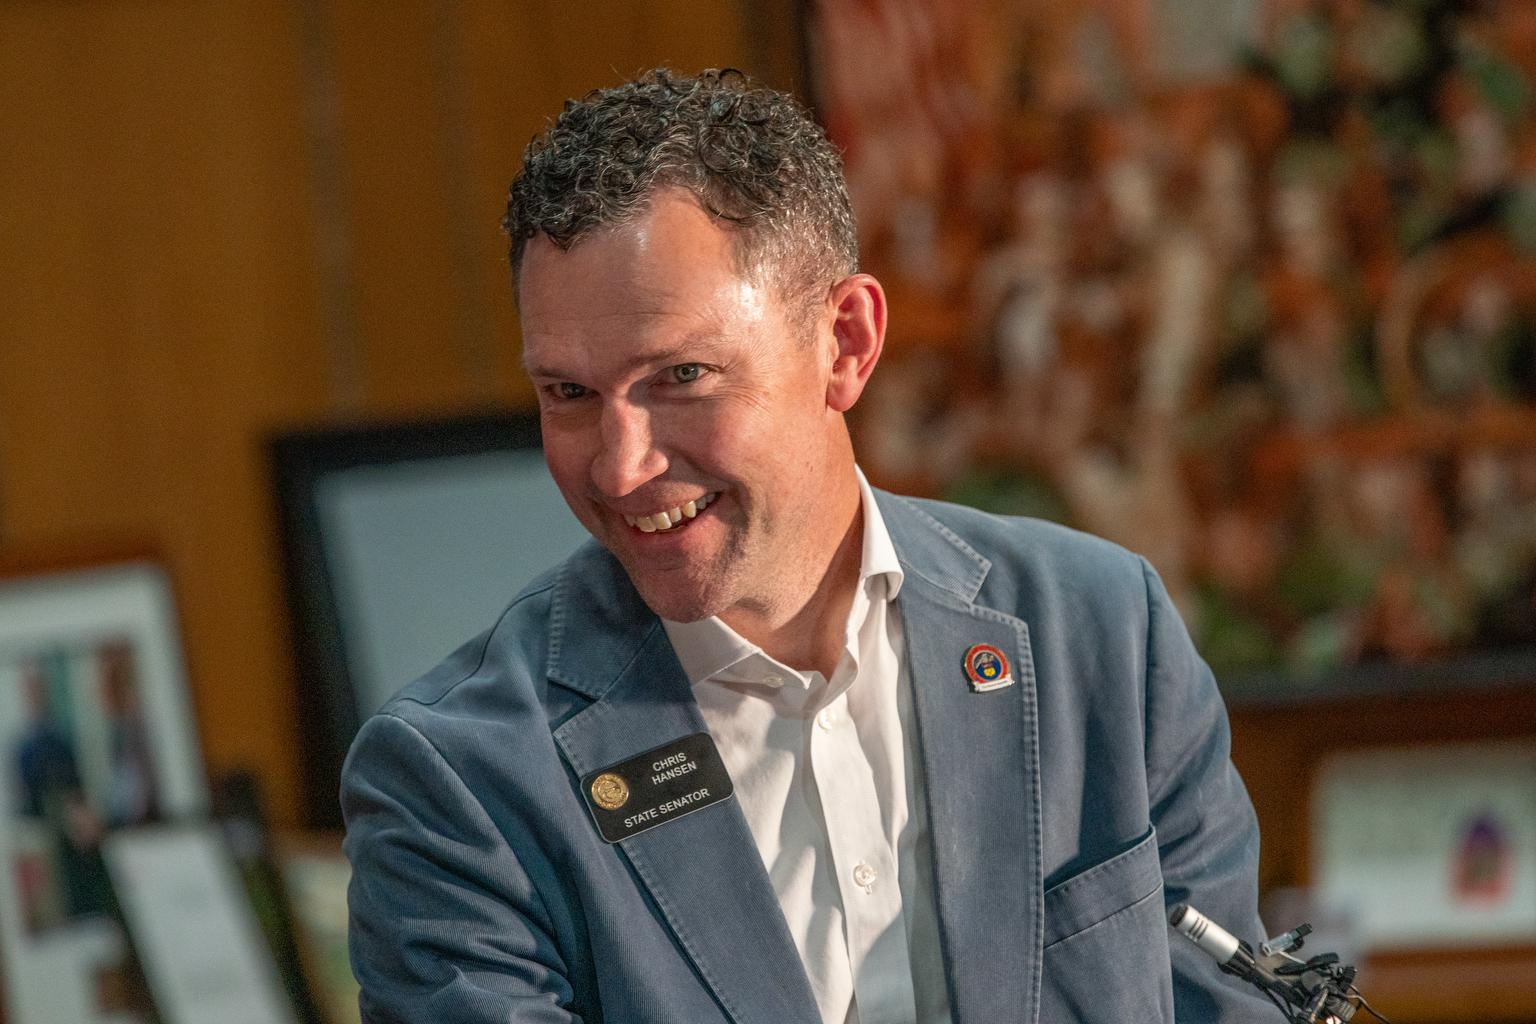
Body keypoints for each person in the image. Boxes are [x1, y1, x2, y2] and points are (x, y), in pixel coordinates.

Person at [342, 68, 1273, 1023]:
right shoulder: (459, 786)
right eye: (569, 395)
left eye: (682, 377)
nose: (620, 469)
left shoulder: (1105, 636)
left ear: (845, 343)